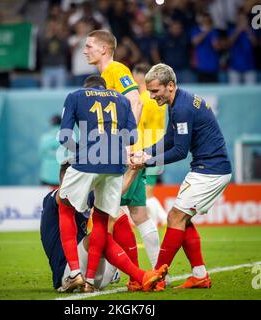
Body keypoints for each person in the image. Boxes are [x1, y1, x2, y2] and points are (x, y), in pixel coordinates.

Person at [58, 75, 167, 293]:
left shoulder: (75, 96)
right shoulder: (121, 99)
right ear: (104, 87)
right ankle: (89, 281)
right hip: (115, 164)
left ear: (86, 87)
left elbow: (65, 136)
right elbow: (132, 137)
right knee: (102, 219)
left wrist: (81, 151)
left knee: (64, 207)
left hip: (88, 160)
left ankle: (74, 274)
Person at [142, 63, 232, 290]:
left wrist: (146, 161)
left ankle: (156, 276)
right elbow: (169, 139)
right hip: (208, 168)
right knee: (182, 218)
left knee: (175, 217)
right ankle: (199, 275)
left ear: (170, 86)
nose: (152, 97)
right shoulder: (178, 102)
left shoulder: (181, 108)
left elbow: (180, 152)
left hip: (210, 170)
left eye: (155, 91)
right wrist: (145, 152)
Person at [83, 30, 160, 277]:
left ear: (104, 49)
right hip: (125, 152)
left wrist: (125, 142)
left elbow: (135, 102)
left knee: (111, 213)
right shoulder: (106, 75)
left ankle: (129, 272)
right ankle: (153, 270)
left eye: (89, 46)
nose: (85, 50)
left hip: (126, 152)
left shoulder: (116, 70)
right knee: (135, 213)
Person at [40, 162, 167, 293]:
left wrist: (133, 171)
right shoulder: (54, 198)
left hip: (94, 273)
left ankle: (134, 279)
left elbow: (114, 196)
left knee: (114, 212)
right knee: (95, 236)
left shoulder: (83, 194)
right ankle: (140, 276)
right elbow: (63, 193)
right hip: (66, 274)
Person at [132, 63, 167, 227]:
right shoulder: (157, 97)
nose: (131, 78)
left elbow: (139, 122)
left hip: (148, 147)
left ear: (141, 77)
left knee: (146, 192)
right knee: (147, 191)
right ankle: (160, 221)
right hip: (157, 145)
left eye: (134, 74)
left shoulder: (145, 98)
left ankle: (165, 220)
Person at [38, 115, 62, 187]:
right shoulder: (69, 137)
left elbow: (41, 154)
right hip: (62, 177)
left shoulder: (44, 138)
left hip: (46, 177)